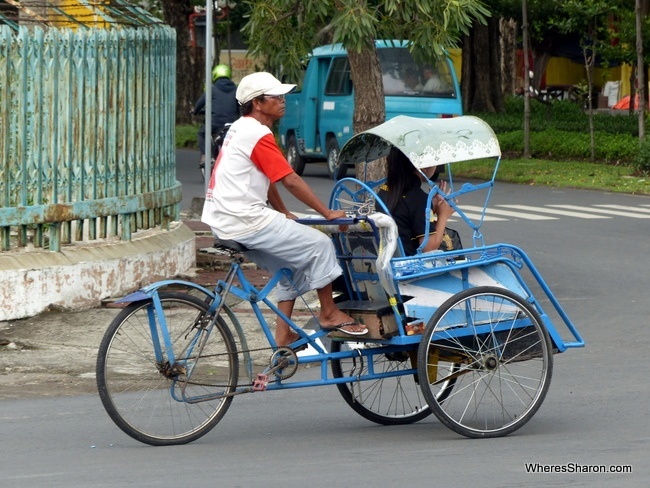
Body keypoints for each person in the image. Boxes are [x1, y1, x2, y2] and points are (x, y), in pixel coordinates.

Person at [201, 71, 367, 347]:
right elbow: (289, 178)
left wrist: (282, 212)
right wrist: (327, 213)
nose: (282, 100)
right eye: (275, 96)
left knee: (293, 265)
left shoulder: (240, 127)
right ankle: (329, 314)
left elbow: (267, 180)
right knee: (321, 245)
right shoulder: (257, 133)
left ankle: (283, 336)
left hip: (226, 218)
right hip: (245, 220)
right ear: (257, 103)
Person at [377, 146, 459, 256]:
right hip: (409, 266)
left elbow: (403, 214)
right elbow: (428, 248)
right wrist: (443, 215)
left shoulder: (385, 191)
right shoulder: (418, 198)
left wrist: (431, 206)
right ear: (424, 166)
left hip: (387, 259)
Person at [192, 64, 240, 167]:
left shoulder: (212, 89)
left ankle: (206, 156)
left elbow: (200, 103)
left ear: (215, 75)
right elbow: (240, 107)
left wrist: (195, 111)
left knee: (202, 133)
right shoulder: (236, 90)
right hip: (232, 124)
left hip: (215, 123)